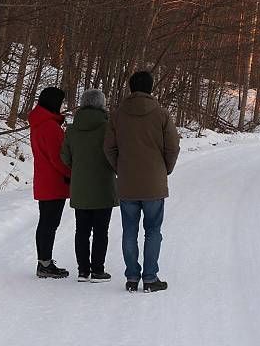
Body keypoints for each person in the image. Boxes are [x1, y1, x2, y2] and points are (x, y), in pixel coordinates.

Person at [104, 71, 180, 293]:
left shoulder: (117, 115)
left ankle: (131, 278)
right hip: (154, 182)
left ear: (130, 88)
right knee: (153, 230)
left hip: (127, 182)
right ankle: (150, 278)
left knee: (129, 230)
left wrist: (120, 168)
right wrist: (165, 169)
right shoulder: (162, 115)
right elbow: (172, 147)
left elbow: (108, 148)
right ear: (151, 88)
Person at [61, 89, 118, 282]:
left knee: (82, 230)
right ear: (102, 104)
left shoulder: (71, 129)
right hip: (103, 185)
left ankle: (83, 271)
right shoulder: (108, 128)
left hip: (80, 186)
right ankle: (98, 270)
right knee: (101, 230)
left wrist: (78, 168)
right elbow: (114, 154)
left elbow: (65, 157)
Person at [28, 87, 70, 279]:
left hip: (43, 180)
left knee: (45, 222)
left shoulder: (39, 123)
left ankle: (43, 262)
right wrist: (71, 173)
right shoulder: (50, 126)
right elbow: (59, 158)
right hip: (54, 182)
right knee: (49, 224)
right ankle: (45, 264)